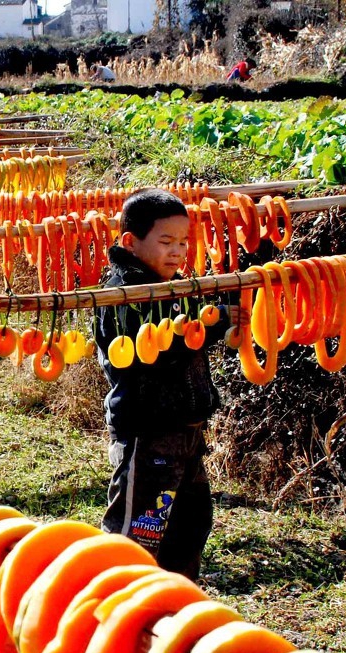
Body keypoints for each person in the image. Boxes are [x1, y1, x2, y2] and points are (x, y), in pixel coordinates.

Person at [93, 189, 236, 581]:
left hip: (186, 432)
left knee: (190, 526)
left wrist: (219, 316)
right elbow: (155, 352)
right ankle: (116, 607)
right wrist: (213, 324)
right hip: (148, 433)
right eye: (166, 242)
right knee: (138, 534)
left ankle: (172, 605)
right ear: (130, 242)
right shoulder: (123, 297)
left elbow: (190, 335)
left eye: (184, 242)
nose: (178, 252)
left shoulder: (173, 289)